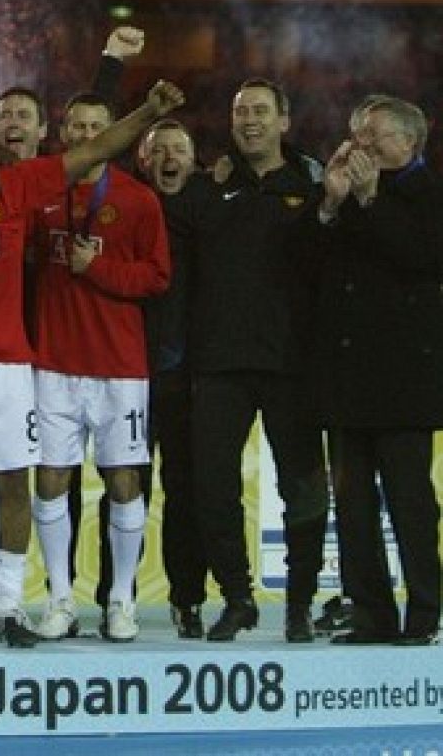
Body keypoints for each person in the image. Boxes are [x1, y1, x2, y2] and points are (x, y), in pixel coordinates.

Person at [0, 78, 184, 648]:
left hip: (7, 368)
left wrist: (146, 108)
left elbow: (95, 150)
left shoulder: (19, 185)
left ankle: (8, 603)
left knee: (13, 483)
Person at [167, 78, 328, 642]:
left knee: (303, 487)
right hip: (218, 363)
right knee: (214, 487)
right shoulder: (206, 188)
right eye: (240, 112)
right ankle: (237, 597)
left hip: (293, 366)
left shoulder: (312, 184)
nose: (250, 120)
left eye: (261, 111)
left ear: (285, 121)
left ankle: (301, 603)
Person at [299, 96, 442, 645]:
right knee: (353, 508)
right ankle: (371, 614)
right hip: (345, 381)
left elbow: (423, 257)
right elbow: (304, 269)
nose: (361, 145)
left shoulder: (429, 195)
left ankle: (425, 613)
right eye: (357, 133)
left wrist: (370, 200)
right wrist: (330, 208)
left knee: (410, 503)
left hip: (404, 383)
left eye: (374, 135)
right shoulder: (346, 194)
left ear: (409, 141)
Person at [29, 93, 170, 642]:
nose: (87, 135)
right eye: (77, 126)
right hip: (55, 363)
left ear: (116, 135)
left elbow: (157, 277)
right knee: (51, 479)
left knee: (123, 478)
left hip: (119, 367)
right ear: (64, 134)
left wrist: (100, 267)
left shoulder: (138, 201)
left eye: (97, 126)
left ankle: (119, 600)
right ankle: (60, 598)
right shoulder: (43, 196)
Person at [135, 118, 209, 636]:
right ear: (142, 161)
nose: (168, 157)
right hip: (129, 376)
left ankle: (188, 599)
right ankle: (114, 597)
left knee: (185, 489)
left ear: (194, 161)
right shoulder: (127, 207)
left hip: (187, 377)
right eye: (158, 149)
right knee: (127, 487)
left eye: (178, 149)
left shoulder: (212, 210)